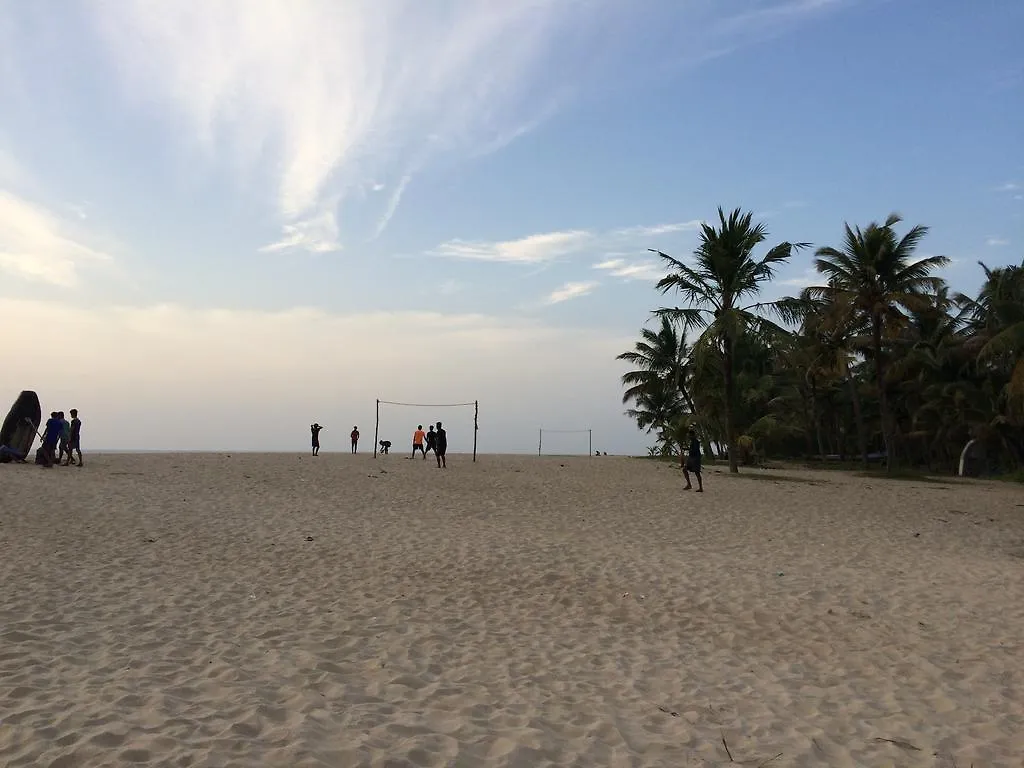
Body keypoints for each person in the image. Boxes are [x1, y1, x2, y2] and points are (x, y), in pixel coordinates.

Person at [683, 427, 703, 492]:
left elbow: (695, 450)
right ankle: (689, 484)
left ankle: (700, 487)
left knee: (697, 473)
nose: (688, 437)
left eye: (689, 435)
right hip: (691, 458)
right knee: (684, 469)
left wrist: (688, 449)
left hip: (695, 458)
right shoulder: (692, 441)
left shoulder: (696, 442)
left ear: (692, 435)